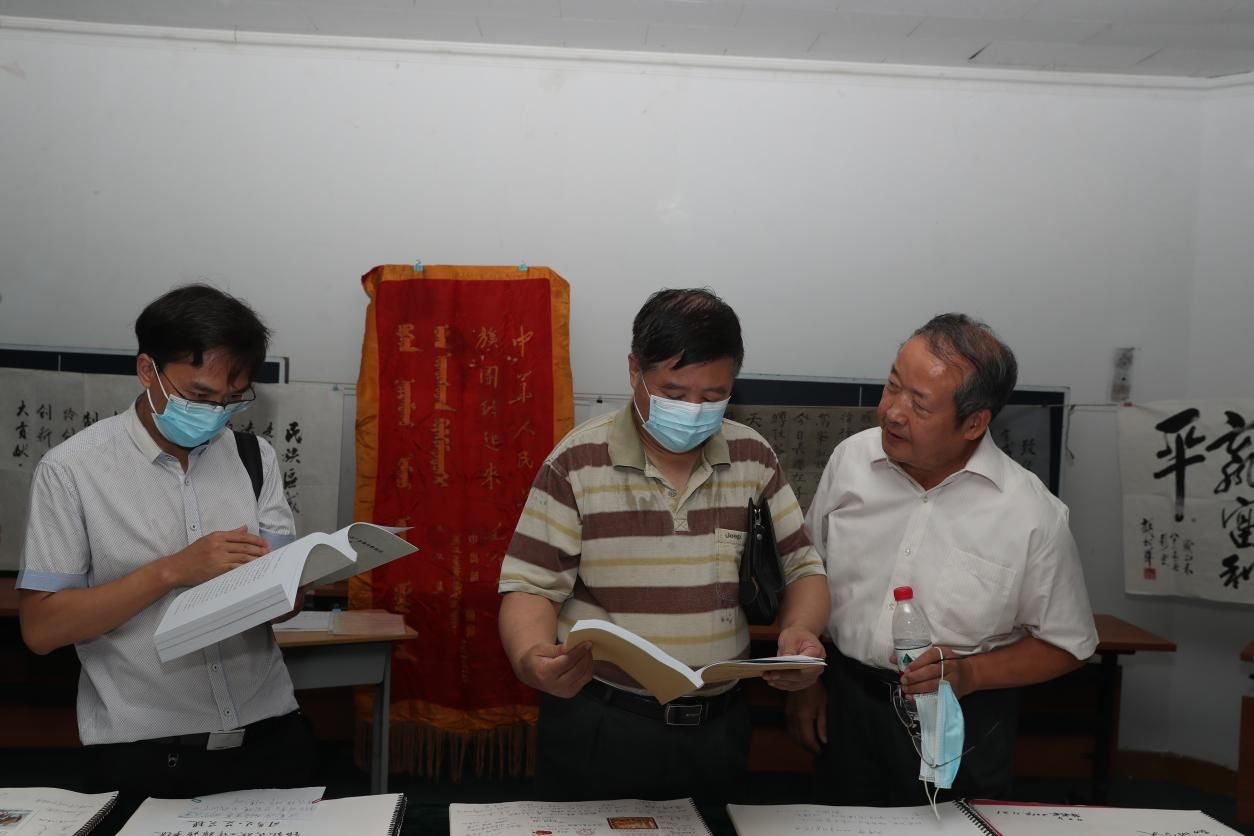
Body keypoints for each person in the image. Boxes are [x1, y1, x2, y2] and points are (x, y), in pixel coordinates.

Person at [497, 288, 830, 802]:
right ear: (635, 370)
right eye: (673, 393)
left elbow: (803, 568)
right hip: (604, 720)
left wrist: (801, 633)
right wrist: (531, 658)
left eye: (713, 396)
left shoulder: (752, 456)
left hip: (718, 726)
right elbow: (530, 585)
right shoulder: (577, 461)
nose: (693, 410)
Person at [17, 284, 317, 825]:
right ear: (147, 371)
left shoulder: (255, 458)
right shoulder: (73, 471)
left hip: (270, 736)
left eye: (233, 398)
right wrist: (174, 570)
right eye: (200, 395)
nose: (216, 413)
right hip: (146, 754)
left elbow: (282, 603)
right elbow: (41, 629)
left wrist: (294, 584)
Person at [788, 313, 1098, 805]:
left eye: (920, 404)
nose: (893, 413)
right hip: (850, 703)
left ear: (974, 422)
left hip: (961, 720)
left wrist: (973, 674)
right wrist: (805, 687)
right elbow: (809, 573)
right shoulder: (851, 462)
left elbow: (1068, 644)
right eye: (893, 387)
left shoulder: (1030, 514)